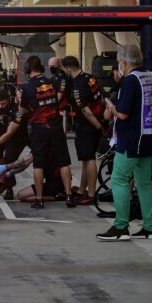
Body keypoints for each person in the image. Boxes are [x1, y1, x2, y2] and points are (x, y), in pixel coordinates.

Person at [97, 45, 152, 241]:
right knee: (144, 183)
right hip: (150, 135)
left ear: (124, 62)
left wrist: (111, 106)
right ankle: (151, 227)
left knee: (119, 179)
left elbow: (123, 114)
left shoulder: (130, 80)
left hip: (132, 139)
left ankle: (120, 227)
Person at [18, 55, 75, 209]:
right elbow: (57, 99)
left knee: (38, 165)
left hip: (39, 129)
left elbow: (21, 111)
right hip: (56, 126)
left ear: (27, 69)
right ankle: (69, 195)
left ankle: (39, 199)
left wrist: (20, 103)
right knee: (63, 162)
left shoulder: (26, 88)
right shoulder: (52, 82)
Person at [61, 56, 106, 205]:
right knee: (85, 159)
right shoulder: (90, 77)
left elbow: (86, 111)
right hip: (95, 121)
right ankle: (82, 190)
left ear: (68, 69)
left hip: (88, 125)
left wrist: (99, 126)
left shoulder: (77, 86)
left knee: (90, 159)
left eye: (64, 70)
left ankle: (91, 194)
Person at [0, 154, 65, 202]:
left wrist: (5, 169)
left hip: (53, 186)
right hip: (60, 184)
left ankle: (55, 197)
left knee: (21, 195)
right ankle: (61, 195)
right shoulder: (51, 149)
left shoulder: (41, 150)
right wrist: (7, 174)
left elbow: (25, 163)